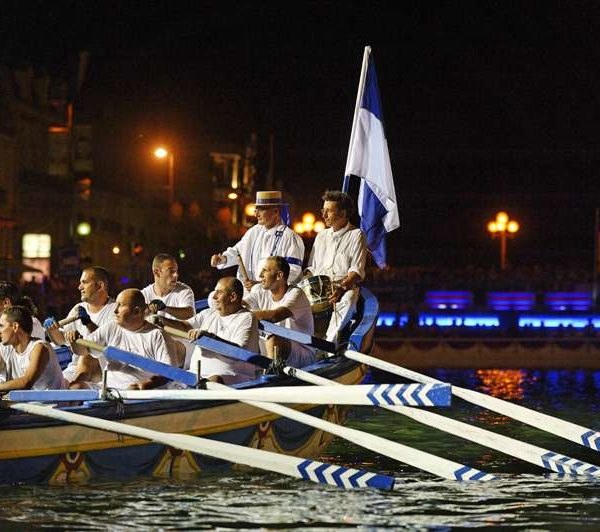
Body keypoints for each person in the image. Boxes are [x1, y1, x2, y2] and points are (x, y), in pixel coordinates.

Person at [68, 289, 178, 390]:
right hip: (108, 389)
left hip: (141, 393)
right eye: (116, 305)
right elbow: (82, 350)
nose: (115, 310)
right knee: (75, 387)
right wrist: (74, 342)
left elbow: (169, 372)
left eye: (120, 305)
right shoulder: (111, 327)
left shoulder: (157, 335)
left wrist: (143, 386)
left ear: (136, 311)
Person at [163, 277, 258, 384]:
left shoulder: (247, 318)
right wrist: (161, 321)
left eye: (219, 292)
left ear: (233, 297)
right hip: (196, 376)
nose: (214, 296)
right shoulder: (208, 313)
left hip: (230, 377)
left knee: (214, 380)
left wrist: (211, 339)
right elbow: (185, 326)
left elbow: (240, 352)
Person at [305, 190, 367, 343]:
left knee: (349, 298)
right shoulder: (321, 236)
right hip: (317, 288)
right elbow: (311, 268)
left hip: (342, 287)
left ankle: (328, 345)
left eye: (329, 211)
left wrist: (342, 287)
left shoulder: (356, 235)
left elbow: (356, 271)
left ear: (343, 213)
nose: (324, 215)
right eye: (323, 210)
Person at [210, 191, 305, 291]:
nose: (256, 214)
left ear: (276, 211)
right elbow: (238, 252)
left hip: (274, 295)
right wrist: (223, 259)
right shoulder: (254, 231)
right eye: (256, 209)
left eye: (261, 209)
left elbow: (293, 271)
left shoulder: (290, 237)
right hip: (249, 292)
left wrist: (262, 284)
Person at [44, 266, 117, 383]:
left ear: (100, 286)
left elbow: (104, 344)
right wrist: (52, 330)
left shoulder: (115, 311)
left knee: (88, 356)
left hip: (102, 372)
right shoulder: (78, 308)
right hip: (75, 368)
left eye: (84, 283)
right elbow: (61, 340)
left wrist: (88, 323)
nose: (79, 287)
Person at [245, 256, 315, 368]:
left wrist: (245, 315)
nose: (260, 276)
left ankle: (271, 378)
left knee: (274, 340)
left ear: (279, 275)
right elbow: (241, 305)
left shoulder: (297, 294)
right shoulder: (260, 291)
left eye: (265, 271)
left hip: (302, 353)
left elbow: (275, 316)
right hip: (271, 350)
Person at [0, 306, 65, 394]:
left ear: (15, 326)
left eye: (1, 326)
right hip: (25, 405)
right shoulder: (7, 349)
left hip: (49, 405)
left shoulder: (40, 347)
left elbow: (26, 382)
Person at [142, 253, 195, 320]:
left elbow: (190, 314)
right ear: (156, 272)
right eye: (171, 271)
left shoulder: (184, 291)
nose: (176, 275)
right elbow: (132, 320)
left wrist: (165, 308)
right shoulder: (143, 295)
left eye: (176, 271)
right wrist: (148, 311)